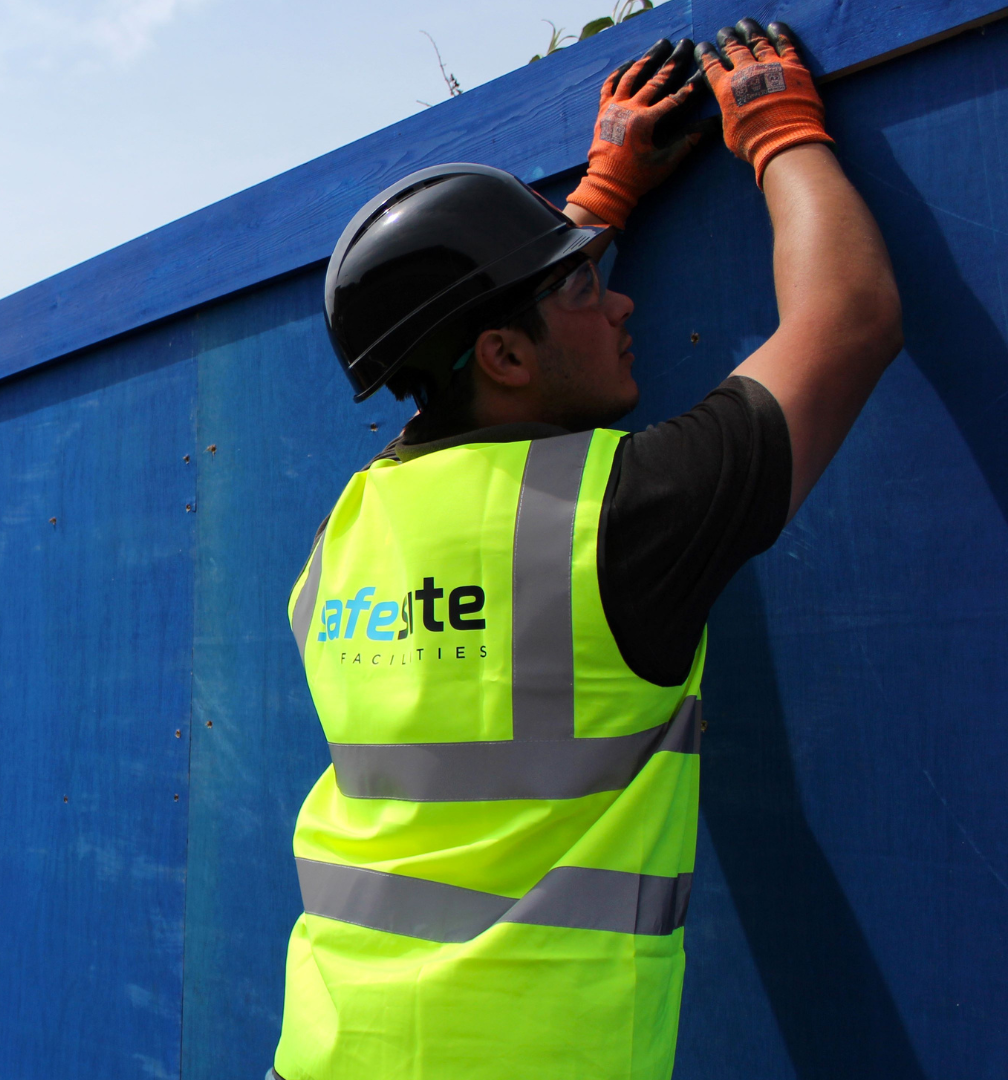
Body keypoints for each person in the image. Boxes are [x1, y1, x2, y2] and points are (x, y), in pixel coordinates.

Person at [271, 20, 899, 1079]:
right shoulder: (620, 516)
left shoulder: (349, 532)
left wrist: (598, 197)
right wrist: (777, 122)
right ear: (506, 353)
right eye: (579, 286)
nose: (619, 299)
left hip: (330, 1048)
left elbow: (459, 370)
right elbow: (851, 318)